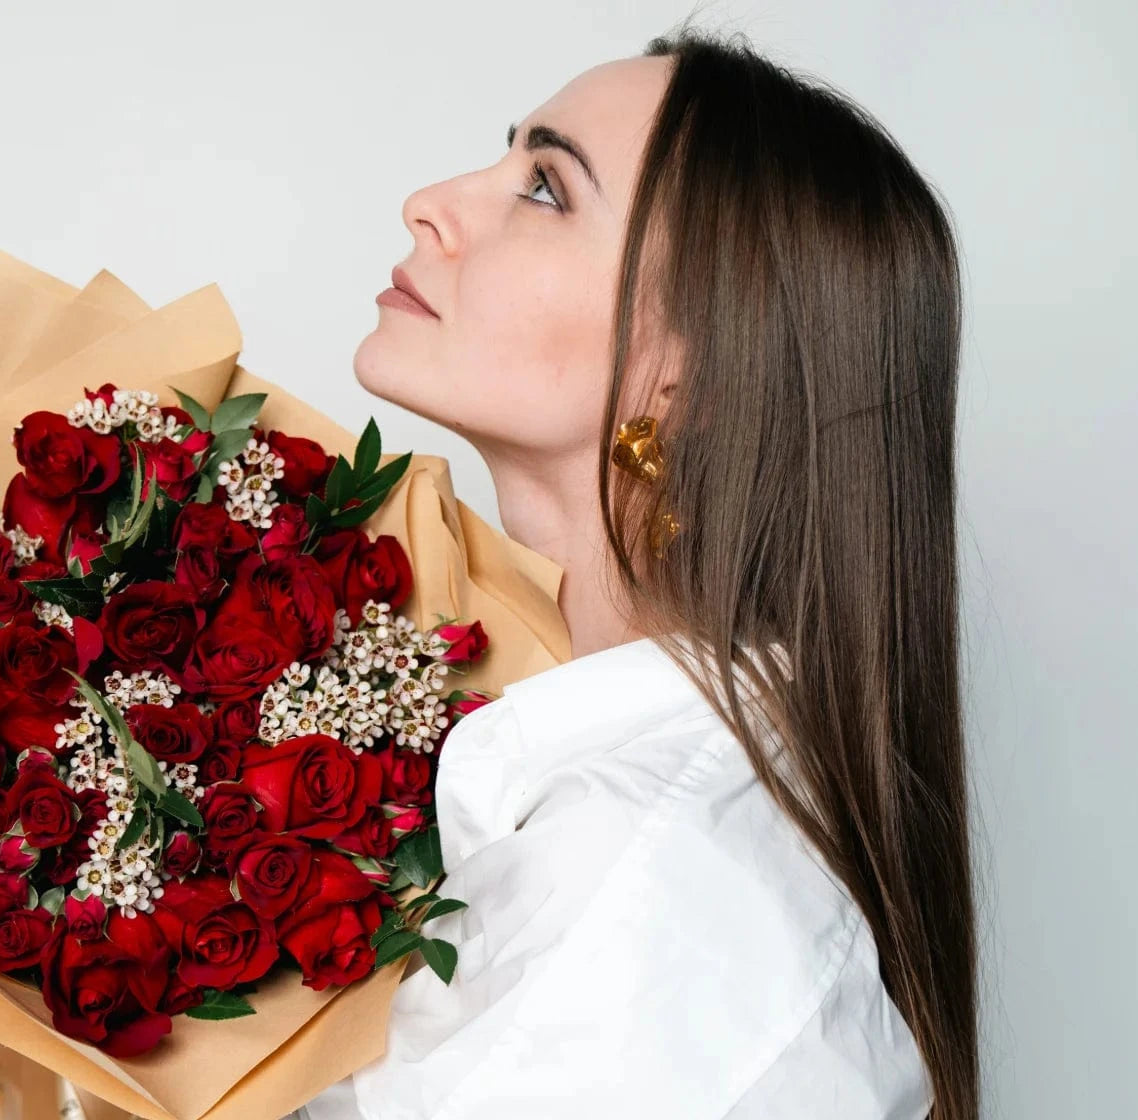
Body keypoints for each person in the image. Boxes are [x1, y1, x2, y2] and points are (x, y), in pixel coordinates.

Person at [298, 19, 979, 1120]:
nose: (431, 200)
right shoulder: (609, 812)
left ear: (689, 377)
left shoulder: (652, 900)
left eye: (545, 189)